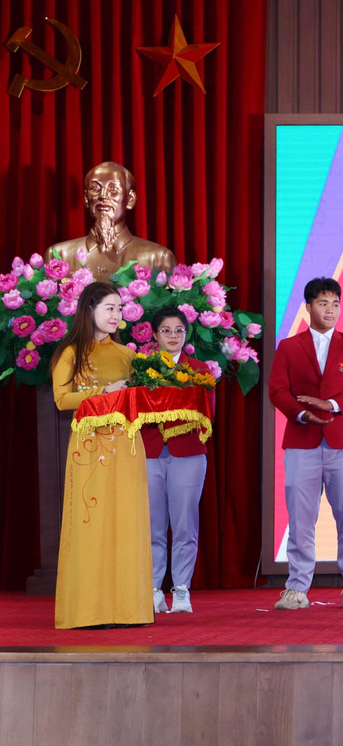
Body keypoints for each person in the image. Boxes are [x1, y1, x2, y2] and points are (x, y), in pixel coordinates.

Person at [50, 281, 154, 629]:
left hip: (127, 445)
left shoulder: (128, 355)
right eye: (109, 308)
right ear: (89, 309)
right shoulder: (70, 353)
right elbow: (62, 400)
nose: (116, 315)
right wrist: (103, 392)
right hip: (90, 447)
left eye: (120, 309)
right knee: (91, 524)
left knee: (127, 523)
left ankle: (128, 610)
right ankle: (89, 611)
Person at [268, 278, 343, 612]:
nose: (330, 310)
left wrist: (331, 404)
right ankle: (297, 587)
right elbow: (277, 390)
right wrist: (301, 414)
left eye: (335, 304)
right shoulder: (289, 346)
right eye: (323, 303)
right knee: (301, 518)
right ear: (308, 307)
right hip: (302, 441)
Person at [142, 306, 216, 614]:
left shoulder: (199, 370)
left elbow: (208, 413)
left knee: (185, 525)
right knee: (152, 527)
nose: (173, 336)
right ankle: (153, 590)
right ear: (154, 334)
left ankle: (181, 589)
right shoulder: (141, 367)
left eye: (179, 330)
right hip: (149, 452)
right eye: (166, 330)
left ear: (186, 334)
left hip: (188, 452)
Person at [50, 161, 176, 279]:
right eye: (95, 189)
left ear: (130, 199)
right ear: (86, 199)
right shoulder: (60, 256)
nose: (103, 196)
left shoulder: (158, 258)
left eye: (113, 190)